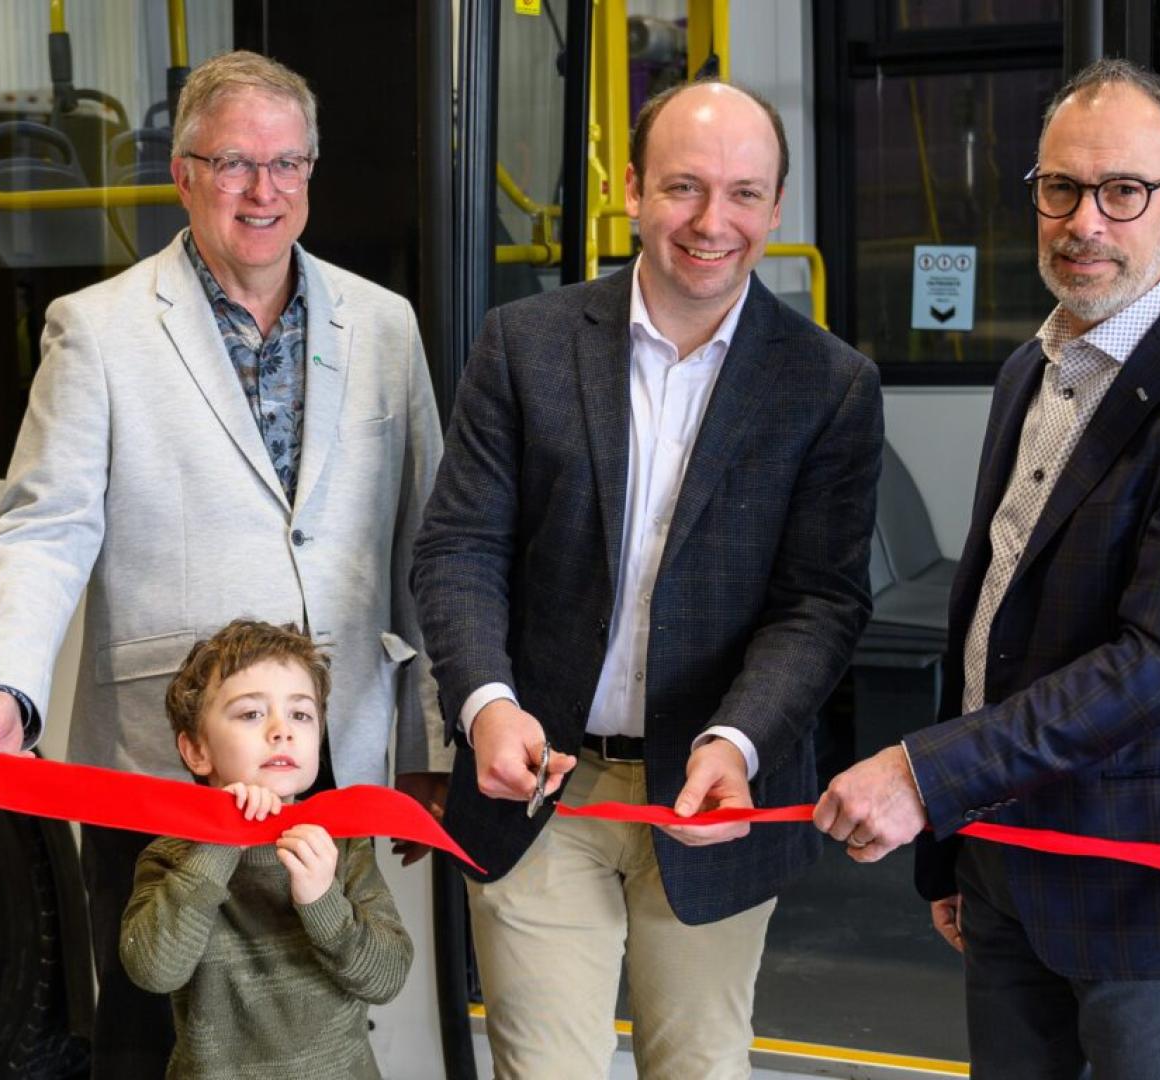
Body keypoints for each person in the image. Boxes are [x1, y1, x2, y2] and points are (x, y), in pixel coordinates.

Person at [0, 49, 449, 1076]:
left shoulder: (384, 325)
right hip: (159, 768)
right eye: (233, 164)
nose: (263, 191)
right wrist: (7, 690)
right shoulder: (98, 331)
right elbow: (45, 530)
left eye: (287, 165)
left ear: (312, 173)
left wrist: (424, 730)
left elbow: (425, 542)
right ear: (182, 174)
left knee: (320, 1020)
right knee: (150, 1030)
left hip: (329, 758)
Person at [817, 59, 1160, 1079]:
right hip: (1008, 867)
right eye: (1060, 188)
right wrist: (956, 846)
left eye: (1123, 191)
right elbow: (994, 618)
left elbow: (1157, 664)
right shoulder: (1034, 366)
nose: (1086, 221)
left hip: (1154, 890)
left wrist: (922, 777)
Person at [412, 79, 883, 1078]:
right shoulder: (524, 344)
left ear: (777, 208)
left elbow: (822, 602)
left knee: (699, 1067)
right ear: (631, 189)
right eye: (684, 187)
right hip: (542, 787)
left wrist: (740, 737)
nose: (715, 222)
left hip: (714, 799)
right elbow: (459, 549)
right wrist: (485, 705)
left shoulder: (829, 384)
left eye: (746, 194)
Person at [120, 619, 411, 1079]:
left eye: (301, 714)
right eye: (252, 714)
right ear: (197, 750)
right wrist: (220, 843)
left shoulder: (343, 841)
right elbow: (154, 970)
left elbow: (387, 977)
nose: (282, 731)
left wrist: (322, 901)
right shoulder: (172, 856)